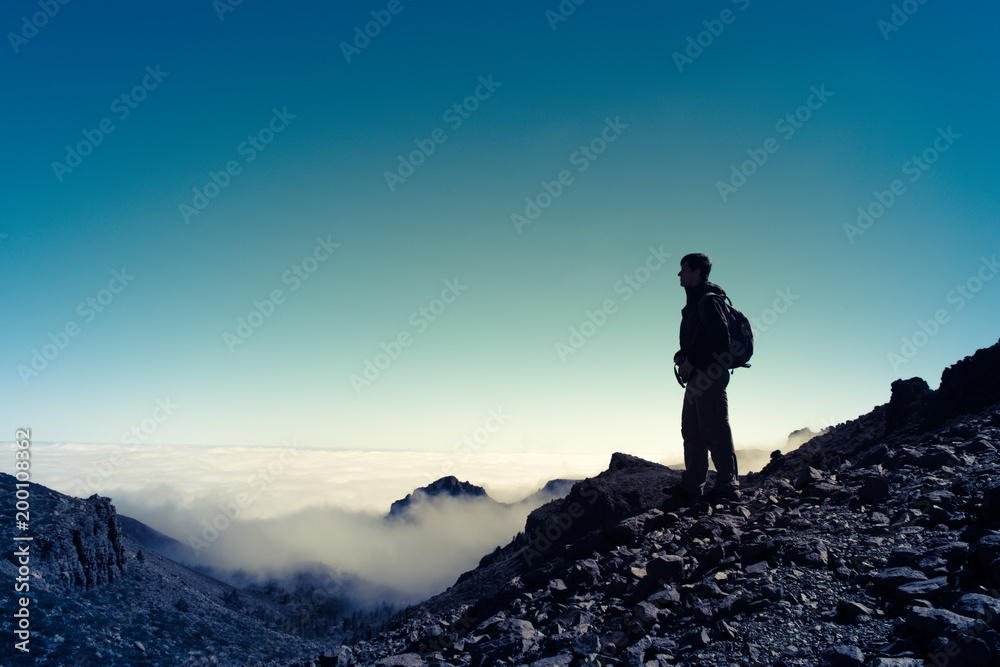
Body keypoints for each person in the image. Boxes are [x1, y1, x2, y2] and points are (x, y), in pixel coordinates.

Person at [666, 253, 740, 504]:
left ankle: (728, 487)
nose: (679, 274)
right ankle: (691, 486)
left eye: (683, 269)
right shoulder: (695, 302)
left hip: (709, 375)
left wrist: (693, 360)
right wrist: (683, 356)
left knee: (714, 429)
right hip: (697, 377)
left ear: (697, 272)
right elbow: (701, 339)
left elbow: (720, 341)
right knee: (692, 431)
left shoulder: (708, 301)